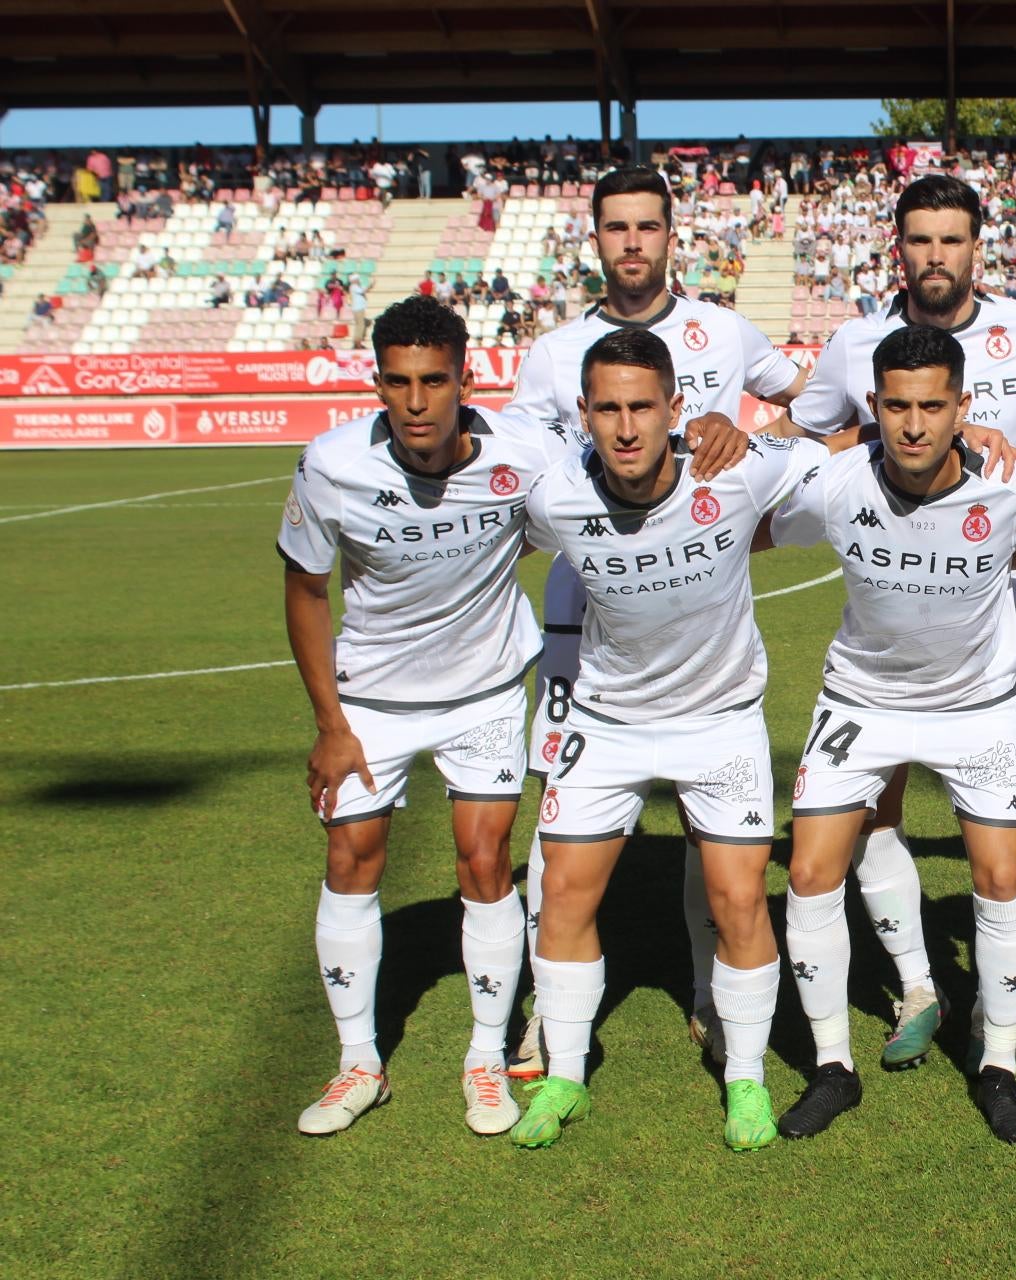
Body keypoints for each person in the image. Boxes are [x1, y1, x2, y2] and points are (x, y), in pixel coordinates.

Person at [774, 174, 1016, 1074]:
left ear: (979, 246)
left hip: (1003, 608)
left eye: (952, 240)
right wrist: (872, 442)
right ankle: (918, 983)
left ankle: (997, 1018)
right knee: (875, 804)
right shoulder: (857, 342)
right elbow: (803, 445)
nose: (936, 255)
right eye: (919, 240)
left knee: (995, 836)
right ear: (897, 246)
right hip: (893, 605)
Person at [513, 327, 841, 1152]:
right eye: (609, 410)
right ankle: (564, 1076)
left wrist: (978, 439)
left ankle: (748, 1083)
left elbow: (852, 447)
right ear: (582, 415)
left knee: (738, 902)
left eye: (642, 408)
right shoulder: (554, 499)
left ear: (675, 409)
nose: (626, 428)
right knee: (563, 894)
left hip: (719, 722)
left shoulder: (736, 471)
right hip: (606, 725)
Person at [503, 165, 791, 1082]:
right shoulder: (555, 352)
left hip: (697, 600)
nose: (632, 243)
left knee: (717, 846)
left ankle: (713, 997)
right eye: (615, 229)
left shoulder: (723, 330)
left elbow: (805, 405)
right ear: (596, 240)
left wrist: (742, 439)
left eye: (647, 228)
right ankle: (550, 1022)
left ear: (674, 236)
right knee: (561, 842)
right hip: (582, 623)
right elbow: (516, 456)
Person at [277, 296, 571, 1138]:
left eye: (433, 381)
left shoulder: (524, 454)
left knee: (484, 865)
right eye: (398, 383)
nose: (415, 402)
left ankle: (484, 1059)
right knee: (351, 856)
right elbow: (304, 590)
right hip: (369, 701)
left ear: (464, 380)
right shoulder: (332, 464)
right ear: (377, 382)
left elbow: (619, 474)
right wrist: (332, 725)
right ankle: (358, 1063)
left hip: (482, 695)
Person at [767, 325, 1016, 1144]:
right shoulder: (833, 482)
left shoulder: (1011, 483)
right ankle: (833, 1066)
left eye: (934, 405)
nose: (915, 424)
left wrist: (1001, 548)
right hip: (861, 700)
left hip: (978, 706)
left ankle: (997, 1063)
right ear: (874, 406)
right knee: (811, 867)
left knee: (1003, 876)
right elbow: (749, 522)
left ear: (964, 408)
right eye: (897, 405)